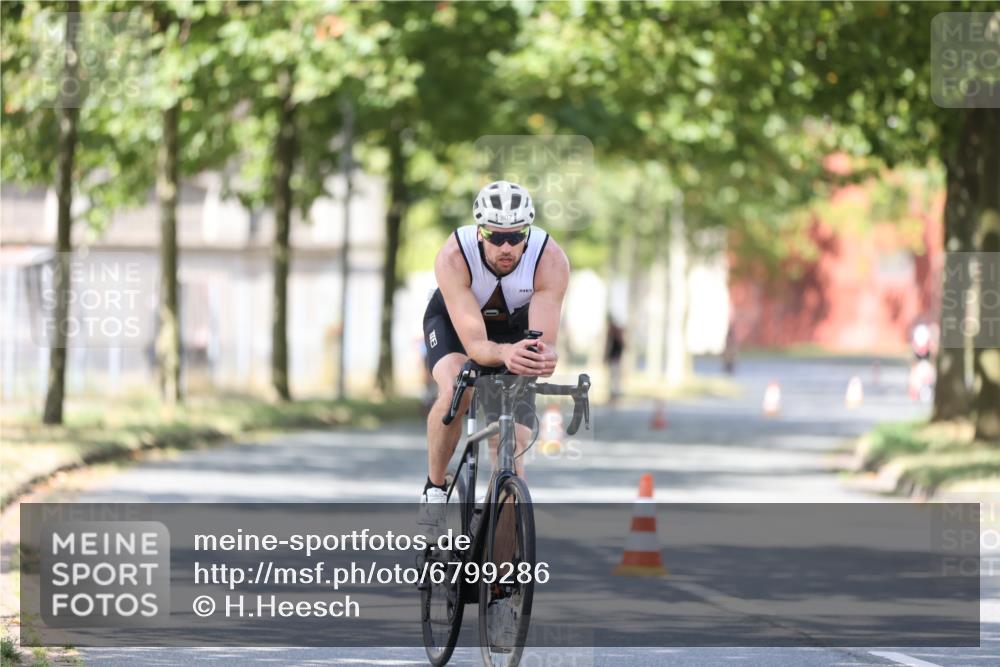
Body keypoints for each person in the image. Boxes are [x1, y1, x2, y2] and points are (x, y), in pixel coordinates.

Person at [418, 180, 570, 538]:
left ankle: (501, 584)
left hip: (515, 330)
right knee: (459, 385)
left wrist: (544, 358)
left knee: (512, 451)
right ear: (479, 230)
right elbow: (475, 346)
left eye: (516, 237)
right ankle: (435, 489)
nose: (506, 246)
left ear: (527, 232)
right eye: (495, 235)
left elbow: (543, 341)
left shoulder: (550, 259)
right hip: (459, 326)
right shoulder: (454, 256)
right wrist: (503, 353)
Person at [604, 315, 625, 404]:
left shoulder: (614, 331)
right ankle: (613, 396)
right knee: (613, 378)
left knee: (614, 378)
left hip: (615, 358)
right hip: (614, 358)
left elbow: (616, 346)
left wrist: (615, 357)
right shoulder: (614, 331)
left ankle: (614, 397)